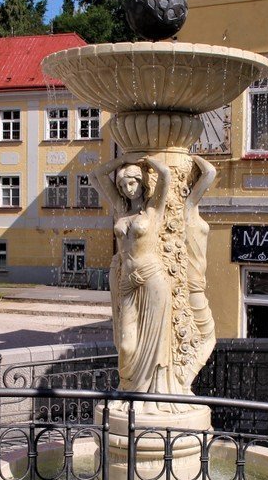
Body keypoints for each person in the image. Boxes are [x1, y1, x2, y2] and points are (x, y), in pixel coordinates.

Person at [92, 154, 189, 410]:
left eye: (132, 183)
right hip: (127, 282)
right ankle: (129, 390)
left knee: (154, 344)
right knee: (125, 344)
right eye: (123, 185)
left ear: (141, 182)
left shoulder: (153, 209)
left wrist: (148, 161)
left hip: (151, 278)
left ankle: (149, 399)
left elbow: (166, 176)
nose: (127, 188)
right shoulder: (121, 209)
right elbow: (97, 175)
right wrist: (123, 159)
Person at [181, 155, 217, 387]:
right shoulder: (188, 208)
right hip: (192, 284)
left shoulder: (189, 210)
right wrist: (190, 156)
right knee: (207, 335)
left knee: (197, 334)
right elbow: (210, 172)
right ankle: (183, 379)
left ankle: (181, 378)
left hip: (194, 282)